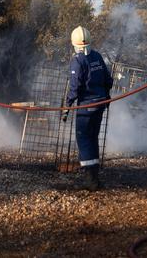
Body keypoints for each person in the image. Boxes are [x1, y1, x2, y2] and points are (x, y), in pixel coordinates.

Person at [61, 25, 112, 191]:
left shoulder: (77, 61)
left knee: (84, 139)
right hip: (101, 104)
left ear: (74, 44)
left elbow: (75, 87)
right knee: (93, 138)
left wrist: (67, 106)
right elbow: (108, 80)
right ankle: (94, 177)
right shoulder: (97, 56)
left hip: (87, 106)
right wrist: (104, 96)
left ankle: (90, 181)